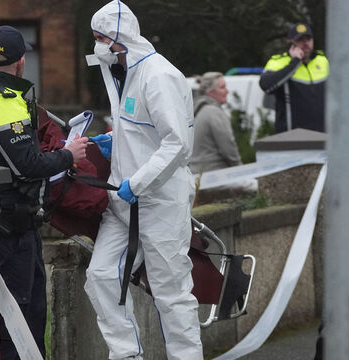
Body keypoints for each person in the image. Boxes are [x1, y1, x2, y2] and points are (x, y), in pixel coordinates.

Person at [0, 25, 88, 360]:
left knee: (11, 314)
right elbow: (26, 165)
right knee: (20, 320)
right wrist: (70, 154)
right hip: (13, 227)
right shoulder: (5, 101)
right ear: (20, 62)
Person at [84, 2, 203, 359]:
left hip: (159, 202)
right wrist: (114, 140)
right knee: (102, 276)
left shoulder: (158, 76)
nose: (97, 46)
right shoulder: (123, 73)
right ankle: (127, 355)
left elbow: (177, 143)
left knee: (172, 294)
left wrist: (137, 182)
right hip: (125, 203)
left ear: (120, 39)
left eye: (101, 38)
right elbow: (143, 132)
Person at [259, 23, 329, 133]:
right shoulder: (277, 62)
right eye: (300, 40)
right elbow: (266, 85)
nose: (306, 43)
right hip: (292, 139)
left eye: (308, 39)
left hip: (323, 137)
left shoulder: (323, 61)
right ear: (290, 43)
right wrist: (295, 62)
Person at [189, 71, 242, 176]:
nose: (227, 91)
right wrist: (240, 169)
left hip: (197, 173)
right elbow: (228, 148)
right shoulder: (214, 112)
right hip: (214, 174)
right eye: (222, 87)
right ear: (210, 91)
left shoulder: (200, 110)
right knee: (255, 186)